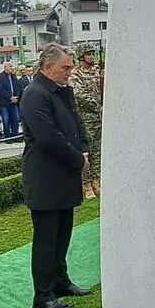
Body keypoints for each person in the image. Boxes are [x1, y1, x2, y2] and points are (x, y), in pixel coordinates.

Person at [19, 44, 92, 308]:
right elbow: (48, 136)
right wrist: (77, 159)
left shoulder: (60, 91)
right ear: (48, 67)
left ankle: (61, 281)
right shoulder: (34, 94)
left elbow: (75, 124)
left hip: (63, 174)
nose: (69, 72)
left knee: (63, 234)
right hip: (45, 176)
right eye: (65, 68)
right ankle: (43, 294)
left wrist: (83, 148)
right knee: (46, 239)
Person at [70, 46, 103, 199]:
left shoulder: (96, 71)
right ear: (81, 57)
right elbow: (79, 94)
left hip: (98, 118)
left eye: (92, 54)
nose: (91, 57)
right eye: (88, 54)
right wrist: (98, 107)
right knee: (86, 152)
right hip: (84, 119)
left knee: (97, 151)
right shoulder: (75, 74)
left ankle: (97, 180)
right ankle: (86, 183)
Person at [0, 62, 24, 139]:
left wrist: (16, 97)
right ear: (5, 67)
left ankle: (15, 135)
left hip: (14, 102)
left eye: (12, 66)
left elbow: (18, 87)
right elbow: (0, 90)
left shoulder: (13, 76)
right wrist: (10, 97)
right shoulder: (0, 77)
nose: (12, 68)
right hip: (4, 103)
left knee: (15, 119)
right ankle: (7, 137)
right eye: (10, 66)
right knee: (6, 120)